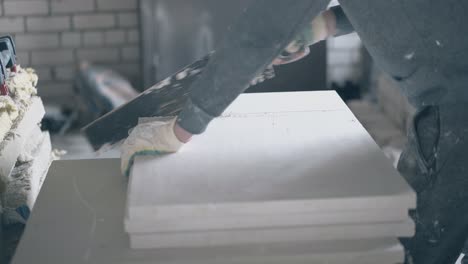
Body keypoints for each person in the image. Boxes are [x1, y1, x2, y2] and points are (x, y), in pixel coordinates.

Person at [121, 1, 468, 263]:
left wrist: (180, 129)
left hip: (459, 108)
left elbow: (259, 34)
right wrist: (326, 24)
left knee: (405, 248)